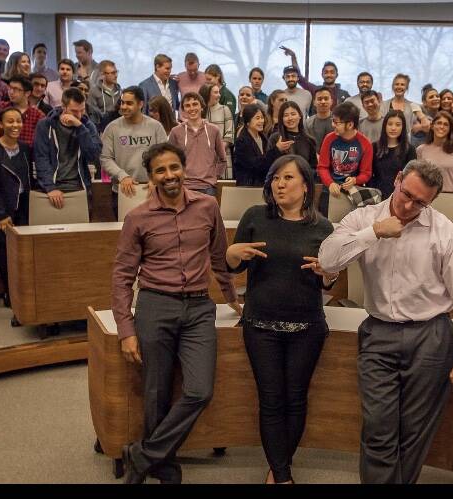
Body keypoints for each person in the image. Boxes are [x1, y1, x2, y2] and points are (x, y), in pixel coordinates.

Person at [318, 158, 453, 484]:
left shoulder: (442, 230)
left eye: (420, 202)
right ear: (397, 179)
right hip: (379, 331)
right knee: (378, 427)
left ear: (432, 201)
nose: (408, 206)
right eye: (406, 194)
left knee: (414, 432)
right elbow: (327, 259)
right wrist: (375, 232)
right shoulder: (364, 217)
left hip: (431, 336)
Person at [112, 141, 240, 485]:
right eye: (160, 171)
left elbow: (218, 256)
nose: (169, 176)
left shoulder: (208, 206)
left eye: (174, 168)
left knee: (199, 390)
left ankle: (140, 455)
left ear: (184, 169)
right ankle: (162, 464)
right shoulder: (137, 217)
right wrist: (126, 330)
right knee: (155, 392)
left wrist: (231, 297)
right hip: (156, 304)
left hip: (199, 307)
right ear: (151, 177)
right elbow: (122, 277)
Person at [227, 154, 337, 484]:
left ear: (306, 185)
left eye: (288, 178)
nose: (280, 183)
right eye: (275, 178)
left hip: (307, 327)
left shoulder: (322, 227)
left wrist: (328, 274)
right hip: (260, 324)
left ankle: (277, 469)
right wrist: (232, 255)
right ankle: (284, 476)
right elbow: (234, 264)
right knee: (271, 399)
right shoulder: (254, 216)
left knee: (296, 398)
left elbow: (326, 281)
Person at [0, 107, 31, 308]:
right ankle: (8, 291)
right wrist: (1, 214)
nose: (15, 125)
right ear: (0, 124)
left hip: (23, 207)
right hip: (1, 209)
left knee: (22, 253)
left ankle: (21, 291)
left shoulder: (26, 148)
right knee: (4, 252)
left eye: (18, 121)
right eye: (10, 121)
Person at [101, 86, 169, 218]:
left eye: (129, 103)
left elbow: (163, 156)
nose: (124, 107)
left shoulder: (155, 127)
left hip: (152, 189)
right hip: (123, 189)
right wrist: (122, 176)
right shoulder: (112, 128)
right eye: (122, 102)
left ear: (140, 104)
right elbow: (105, 158)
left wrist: (156, 178)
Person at [34, 87, 102, 208]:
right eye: (74, 111)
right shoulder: (45, 125)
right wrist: (50, 187)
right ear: (63, 107)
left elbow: (94, 155)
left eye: (82, 110)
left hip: (79, 186)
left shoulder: (87, 126)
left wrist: (80, 127)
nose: (79, 115)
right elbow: (41, 159)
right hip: (52, 187)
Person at [317, 102, 374, 214]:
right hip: (329, 188)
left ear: (350, 125)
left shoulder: (365, 143)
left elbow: (366, 173)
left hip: (352, 191)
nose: (333, 125)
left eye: (337, 122)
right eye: (333, 121)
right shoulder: (329, 139)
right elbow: (322, 167)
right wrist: (330, 183)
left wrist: (355, 180)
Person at [167, 92, 227, 196]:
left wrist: (214, 176)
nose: (191, 108)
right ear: (183, 110)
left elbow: (222, 159)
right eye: (187, 105)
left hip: (208, 187)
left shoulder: (214, 130)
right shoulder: (175, 132)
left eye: (195, 104)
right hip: (184, 187)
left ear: (202, 107)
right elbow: (169, 159)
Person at [282, 46, 349, 112]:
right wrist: (293, 57)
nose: (329, 75)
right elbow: (299, 78)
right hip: (317, 122)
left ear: (336, 75)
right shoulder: (315, 90)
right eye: (326, 72)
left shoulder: (344, 94)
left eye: (332, 72)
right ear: (322, 74)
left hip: (337, 122)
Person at [370, 110, 417, 199]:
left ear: (403, 127)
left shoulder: (410, 149)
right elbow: (369, 174)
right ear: (385, 126)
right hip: (376, 196)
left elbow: (412, 177)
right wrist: (375, 192)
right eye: (390, 124)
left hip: (400, 196)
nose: (393, 128)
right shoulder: (374, 147)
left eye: (398, 125)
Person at [417, 111, 453, 193]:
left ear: (449, 129)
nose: (442, 126)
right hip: (426, 199)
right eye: (439, 123)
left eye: (446, 124)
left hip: (451, 199)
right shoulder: (420, 149)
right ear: (432, 126)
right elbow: (419, 179)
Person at [266, 101, 318, 171]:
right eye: (286, 115)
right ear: (281, 119)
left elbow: (313, 168)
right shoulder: (275, 138)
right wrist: (277, 149)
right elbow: (267, 165)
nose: (290, 118)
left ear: (300, 116)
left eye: (293, 114)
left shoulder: (309, 140)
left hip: (304, 180)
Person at [233, 104, 270, 187]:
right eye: (257, 118)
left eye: (262, 117)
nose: (261, 121)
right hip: (247, 186)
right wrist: (275, 151)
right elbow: (255, 165)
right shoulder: (242, 141)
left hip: (263, 184)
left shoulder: (264, 139)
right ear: (248, 122)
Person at [4, 75, 45, 149]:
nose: (11, 92)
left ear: (27, 93)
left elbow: (40, 143)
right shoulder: (1, 107)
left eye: (15, 89)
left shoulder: (38, 115)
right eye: (9, 88)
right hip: (2, 154)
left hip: (27, 156)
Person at [199, 83, 235, 159]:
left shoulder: (224, 109)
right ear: (207, 94)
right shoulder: (199, 111)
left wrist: (219, 150)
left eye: (219, 92)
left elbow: (229, 134)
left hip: (222, 155)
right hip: (203, 157)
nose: (219, 95)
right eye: (215, 92)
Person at [88, 60, 121, 131]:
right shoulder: (93, 92)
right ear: (102, 75)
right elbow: (93, 115)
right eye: (112, 73)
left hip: (120, 129)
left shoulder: (121, 92)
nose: (116, 75)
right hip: (102, 130)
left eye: (116, 72)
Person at [304, 87, 334, 153]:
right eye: (319, 99)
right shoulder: (308, 123)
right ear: (314, 102)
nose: (323, 102)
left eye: (326, 99)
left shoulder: (339, 121)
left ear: (331, 101)